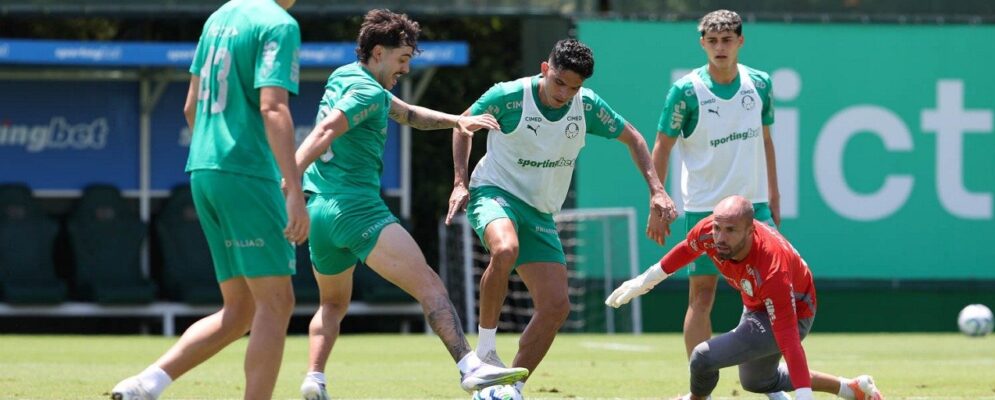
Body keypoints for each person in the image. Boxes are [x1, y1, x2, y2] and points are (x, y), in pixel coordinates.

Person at [293, 9, 528, 400]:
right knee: (430, 286)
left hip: (319, 212)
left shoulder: (345, 77)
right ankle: (470, 367)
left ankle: (313, 379)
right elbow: (327, 129)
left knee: (332, 302)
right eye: (402, 59)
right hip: (356, 209)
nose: (405, 68)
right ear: (379, 52)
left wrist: (458, 121)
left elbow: (408, 114)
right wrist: (289, 176)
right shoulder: (367, 91)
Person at [446, 39, 676, 395]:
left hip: (540, 210)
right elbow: (463, 126)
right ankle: (485, 354)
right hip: (494, 191)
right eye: (559, 82)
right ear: (544, 69)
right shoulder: (507, 97)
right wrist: (460, 182)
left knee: (556, 307)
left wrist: (657, 190)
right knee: (504, 250)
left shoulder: (586, 107)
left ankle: (511, 387)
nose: (565, 93)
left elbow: (634, 138)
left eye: (575, 87)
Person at [111, 0, 309, 399]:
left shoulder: (220, 16)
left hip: (204, 168)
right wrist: (293, 187)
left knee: (240, 311)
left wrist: (216, 152)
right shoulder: (278, 23)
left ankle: (143, 386)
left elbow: (190, 107)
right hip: (247, 172)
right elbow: (273, 108)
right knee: (276, 302)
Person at [606, 195, 884, 400]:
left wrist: (804, 397)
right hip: (757, 304)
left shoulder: (772, 267)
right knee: (758, 381)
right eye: (717, 228)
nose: (719, 237)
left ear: (751, 231)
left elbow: (788, 339)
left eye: (730, 230)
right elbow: (685, 250)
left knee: (702, 357)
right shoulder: (710, 232)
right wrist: (644, 281)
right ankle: (851, 388)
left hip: (795, 311)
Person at [646, 11, 783, 398]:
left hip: (754, 206)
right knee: (701, 296)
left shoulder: (760, 83)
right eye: (712, 40)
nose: (720, 47)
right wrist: (658, 200)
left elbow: (767, 141)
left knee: (769, 296)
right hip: (705, 208)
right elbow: (663, 145)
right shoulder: (685, 91)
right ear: (702, 43)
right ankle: (699, 390)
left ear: (741, 42)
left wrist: (774, 198)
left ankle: (769, 381)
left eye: (727, 40)